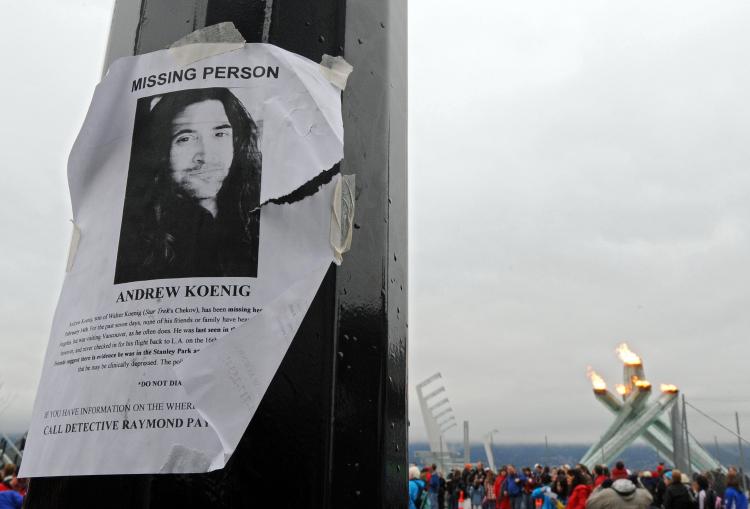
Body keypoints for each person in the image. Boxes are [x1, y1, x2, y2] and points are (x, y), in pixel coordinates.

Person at [115, 87, 262, 283]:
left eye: (220, 134)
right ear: (161, 150)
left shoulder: (258, 213)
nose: (206, 156)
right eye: (185, 139)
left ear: (236, 141)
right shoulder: (134, 240)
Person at [586, 478, 652, 509]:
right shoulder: (642, 494)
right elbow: (650, 498)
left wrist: (600, 487)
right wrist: (638, 484)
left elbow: (589, 504)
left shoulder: (606, 494)